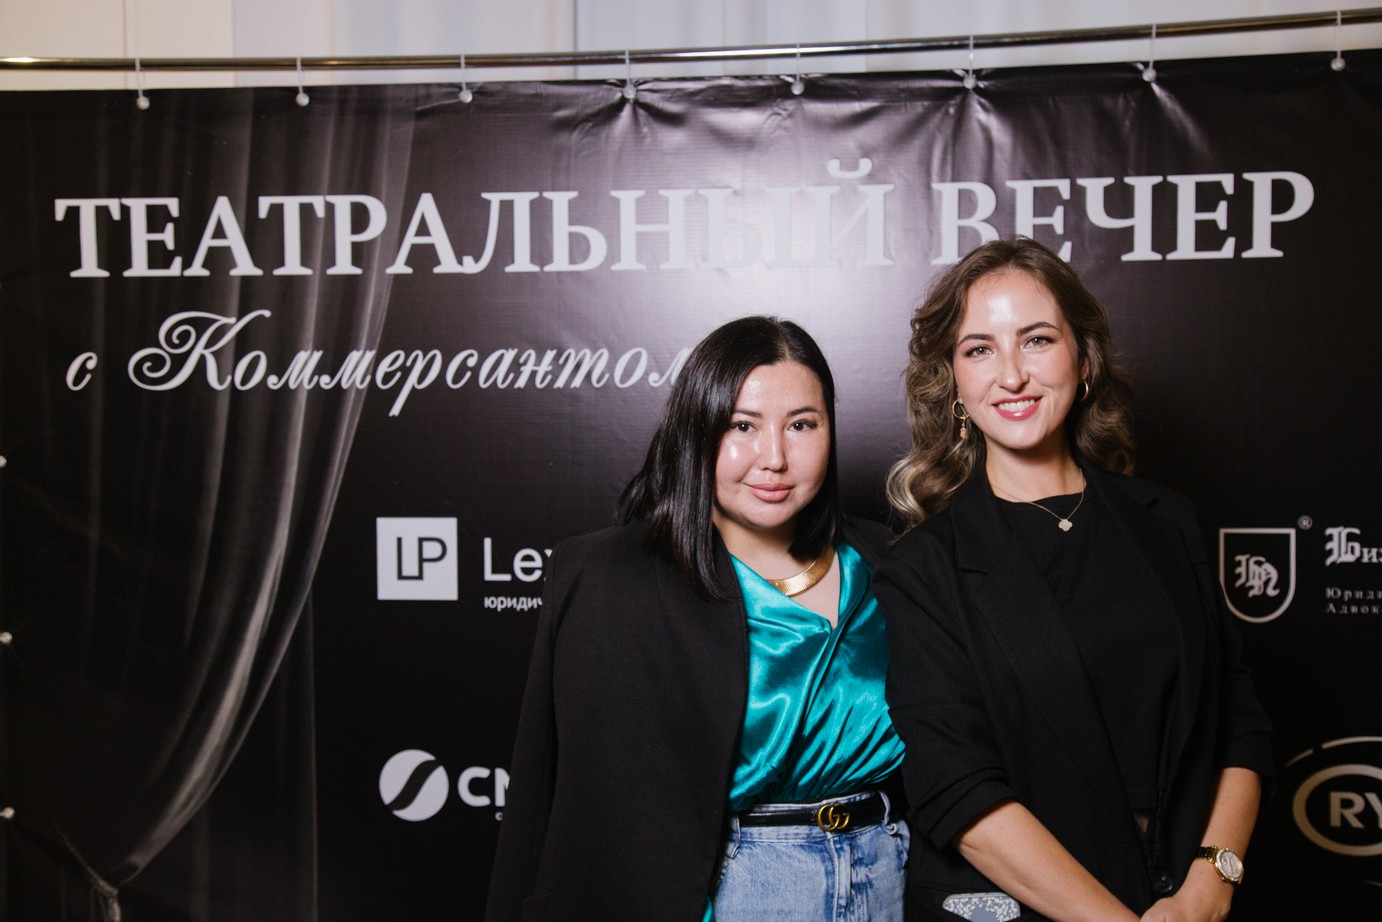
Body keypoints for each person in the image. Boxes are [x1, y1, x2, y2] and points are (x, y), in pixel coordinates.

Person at [872, 238, 1273, 922]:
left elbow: (1238, 724)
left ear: (1084, 361)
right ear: (954, 383)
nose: (1011, 375)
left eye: (1036, 340)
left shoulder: (1168, 521)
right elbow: (956, 788)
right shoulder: (921, 569)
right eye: (979, 349)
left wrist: (1211, 886)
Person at [485, 316, 908, 922]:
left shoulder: (890, 562)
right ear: (696, 430)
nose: (774, 458)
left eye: (801, 425)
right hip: (734, 891)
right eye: (742, 426)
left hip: (889, 875)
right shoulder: (610, 579)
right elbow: (567, 809)